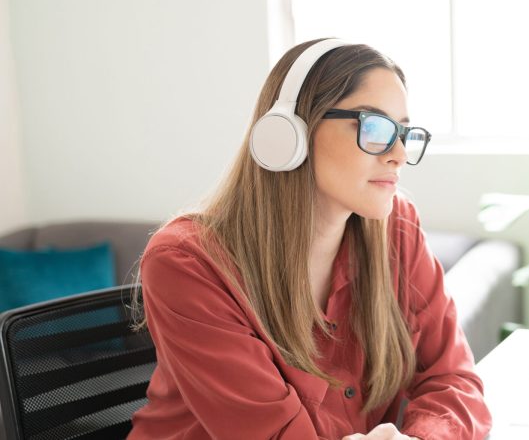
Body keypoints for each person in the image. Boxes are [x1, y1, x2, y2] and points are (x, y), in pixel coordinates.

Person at [127, 38, 492, 439]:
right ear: (289, 133)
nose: (400, 154)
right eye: (375, 127)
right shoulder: (187, 262)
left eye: (404, 132)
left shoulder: (397, 227)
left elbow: (454, 380)